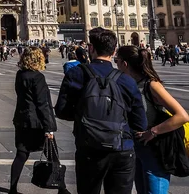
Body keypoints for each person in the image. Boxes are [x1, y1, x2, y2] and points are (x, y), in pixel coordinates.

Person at [55, 28, 147, 194]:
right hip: (122, 148)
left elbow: (62, 111)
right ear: (114, 51)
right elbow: (140, 122)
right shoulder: (126, 80)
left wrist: (85, 116)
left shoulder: (76, 74)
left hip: (89, 147)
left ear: (91, 48)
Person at [116, 45, 189, 194]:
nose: (115, 63)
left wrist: (153, 132)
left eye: (117, 60)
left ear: (124, 64)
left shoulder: (151, 85)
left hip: (155, 149)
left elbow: (182, 116)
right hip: (139, 149)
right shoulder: (130, 85)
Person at [9, 47, 70, 194]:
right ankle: (62, 189)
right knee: (53, 155)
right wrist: (49, 128)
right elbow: (42, 104)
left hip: (22, 120)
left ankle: (12, 189)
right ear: (38, 59)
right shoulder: (37, 77)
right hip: (37, 123)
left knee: (21, 154)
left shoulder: (20, 75)